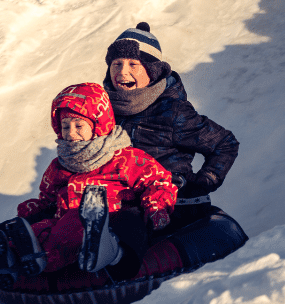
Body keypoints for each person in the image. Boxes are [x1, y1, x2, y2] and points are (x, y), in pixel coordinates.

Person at [0, 82, 177, 284]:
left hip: (113, 215)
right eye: (65, 127)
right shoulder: (60, 165)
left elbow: (158, 182)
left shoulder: (124, 158)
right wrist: (37, 207)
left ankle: (108, 251)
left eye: (79, 126)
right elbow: (48, 196)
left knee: (128, 222)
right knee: (37, 227)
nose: (71, 134)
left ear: (99, 124)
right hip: (65, 218)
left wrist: (156, 208)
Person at [102, 22, 240, 231]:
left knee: (128, 224)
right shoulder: (103, 110)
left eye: (133, 64)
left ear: (153, 71)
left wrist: (202, 183)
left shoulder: (172, 112)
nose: (122, 71)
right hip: (118, 200)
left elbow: (224, 143)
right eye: (116, 63)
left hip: (168, 207)